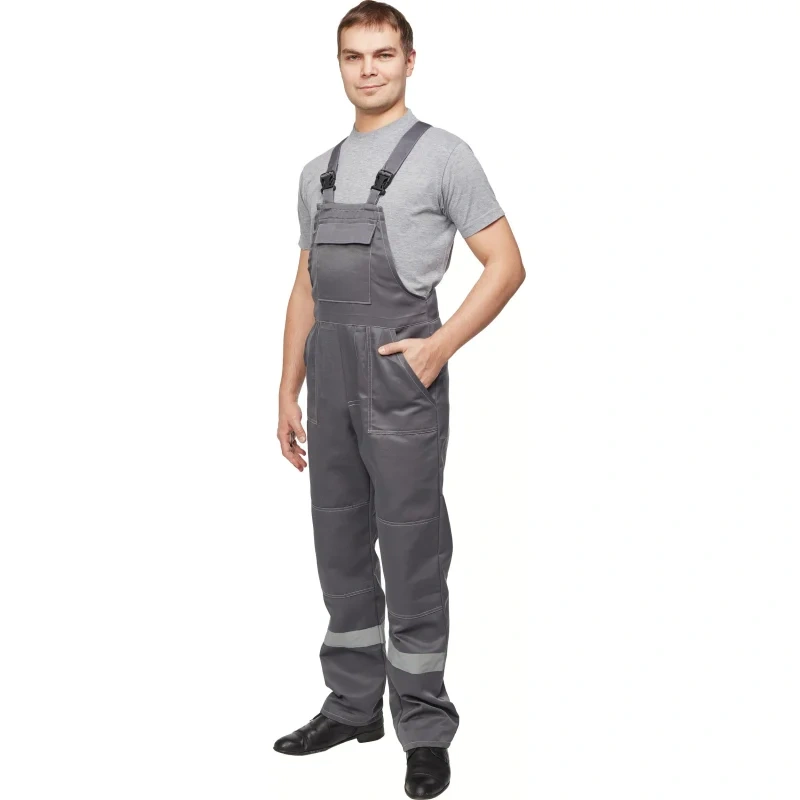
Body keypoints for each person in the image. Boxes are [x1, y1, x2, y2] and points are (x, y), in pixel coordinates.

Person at [274, 2, 525, 797]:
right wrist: (286, 389)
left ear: (410, 61)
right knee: (339, 542)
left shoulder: (445, 156)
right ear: (339, 65)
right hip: (329, 377)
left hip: (398, 374)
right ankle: (352, 706)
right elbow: (306, 286)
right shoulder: (315, 172)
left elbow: (507, 264)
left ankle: (423, 724)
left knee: (412, 546)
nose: (369, 69)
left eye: (383, 54)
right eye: (354, 56)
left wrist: (438, 347)